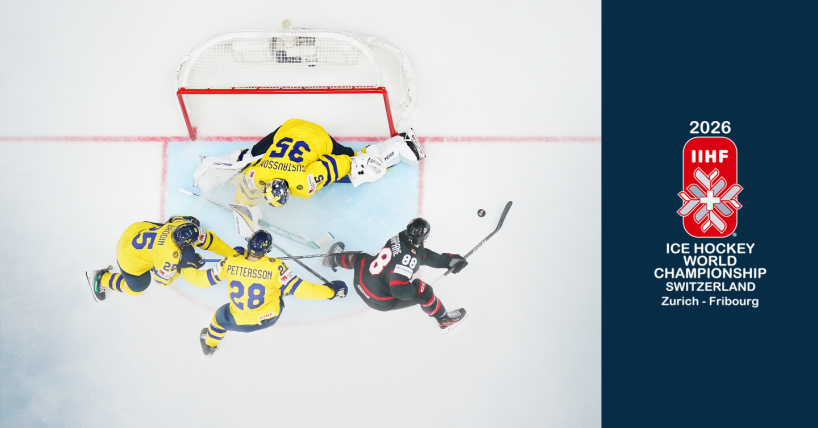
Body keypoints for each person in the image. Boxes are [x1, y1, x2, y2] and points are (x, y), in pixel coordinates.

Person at [193, 118, 425, 207]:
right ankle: (212, 169)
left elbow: (340, 163)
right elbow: (248, 182)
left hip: (316, 135)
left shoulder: (303, 185)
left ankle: (402, 145)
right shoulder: (261, 174)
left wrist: (359, 164)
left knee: (359, 167)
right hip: (289, 127)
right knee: (249, 157)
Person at [184, 230, 348, 356]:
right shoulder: (276, 267)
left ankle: (210, 345)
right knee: (280, 287)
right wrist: (331, 291)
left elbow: (201, 281)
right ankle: (284, 288)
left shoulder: (229, 262)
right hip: (270, 317)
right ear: (268, 251)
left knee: (218, 319)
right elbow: (304, 290)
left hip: (238, 320)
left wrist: (186, 265)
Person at [323, 218, 469, 332]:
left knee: (363, 257)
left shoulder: (400, 236)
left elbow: (421, 255)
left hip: (361, 282)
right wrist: (414, 290)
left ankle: (333, 258)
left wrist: (448, 261)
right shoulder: (409, 258)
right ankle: (444, 319)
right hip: (378, 299)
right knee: (423, 290)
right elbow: (399, 290)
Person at [84, 216, 236, 301]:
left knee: (167, 225)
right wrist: (182, 268)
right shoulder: (169, 257)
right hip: (127, 257)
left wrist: (232, 255)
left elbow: (208, 239)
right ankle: (101, 278)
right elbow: (162, 281)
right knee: (137, 289)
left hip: (134, 231)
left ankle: (152, 255)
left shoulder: (180, 224)